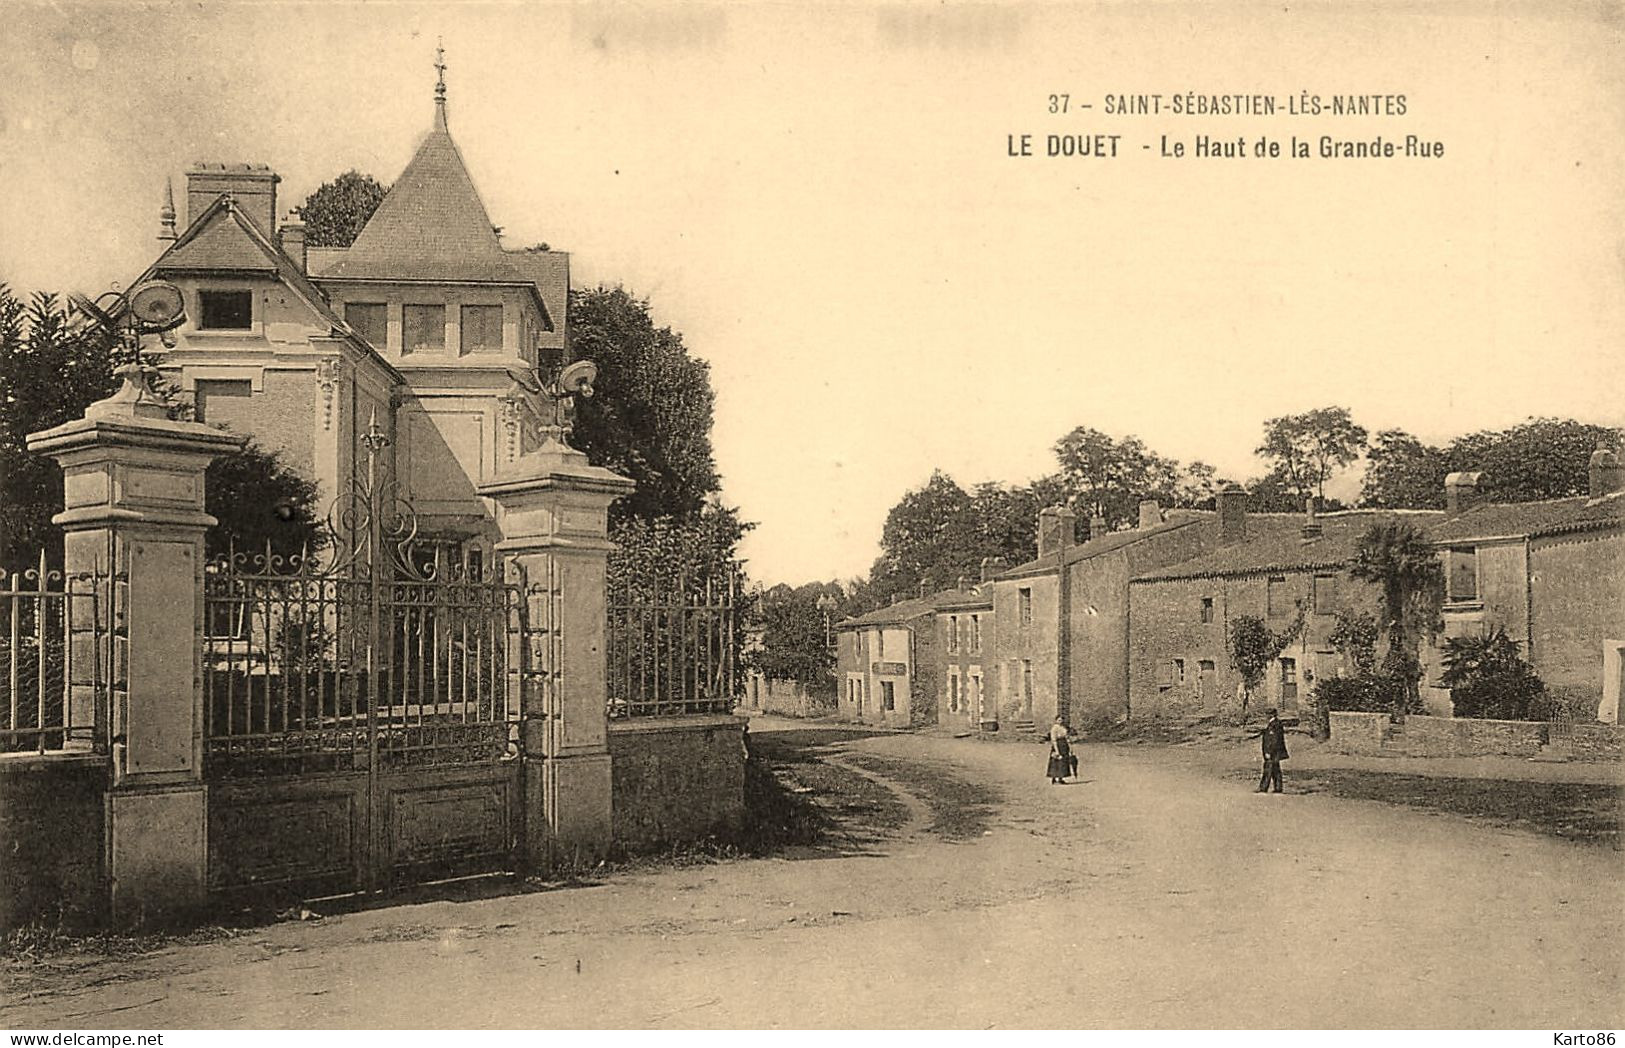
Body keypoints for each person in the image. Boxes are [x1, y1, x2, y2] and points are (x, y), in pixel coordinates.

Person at [1257, 707, 1288, 793]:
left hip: (1273, 752)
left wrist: (1268, 752)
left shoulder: (1275, 724)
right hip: (1275, 751)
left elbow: (1274, 740)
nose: (1266, 716)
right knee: (1275, 769)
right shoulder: (1274, 723)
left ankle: (1263, 787)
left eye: (1268, 714)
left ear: (1272, 715)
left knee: (1268, 769)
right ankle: (1278, 788)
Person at [1046, 716, 1072, 784]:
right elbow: (1053, 739)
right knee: (1055, 762)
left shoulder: (1063, 727)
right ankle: (1053, 778)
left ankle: (1061, 778)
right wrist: (1056, 750)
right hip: (1058, 745)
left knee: (1063, 762)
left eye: (1061, 720)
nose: (1060, 721)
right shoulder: (1054, 728)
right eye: (1059, 720)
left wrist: (1070, 748)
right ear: (1056, 720)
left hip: (1064, 746)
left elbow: (1067, 738)